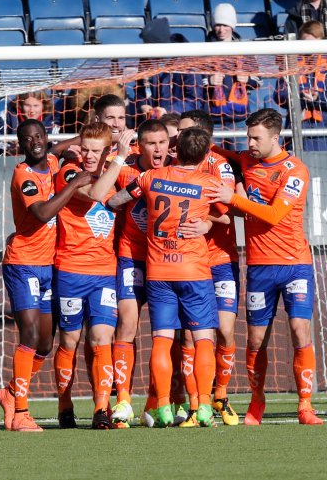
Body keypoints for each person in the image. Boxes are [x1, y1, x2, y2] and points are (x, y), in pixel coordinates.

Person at [210, 107, 323, 426]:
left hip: (295, 265)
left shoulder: (295, 170)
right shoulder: (246, 159)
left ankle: (305, 405)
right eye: (248, 136)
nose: (250, 142)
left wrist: (233, 198)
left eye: (256, 137)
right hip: (259, 267)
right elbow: (220, 151)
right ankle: (257, 401)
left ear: (276, 138)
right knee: (257, 340)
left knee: (300, 330)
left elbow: (274, 215)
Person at [107, 127, 221, 428]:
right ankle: (205, 407)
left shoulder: (149, 178)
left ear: (174, 150)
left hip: (158, 271)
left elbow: (115, 201)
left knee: (161, 339)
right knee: (203, 339)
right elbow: (229, 212)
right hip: (194, 271)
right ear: (205, 154)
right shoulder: (209, 183)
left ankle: (163, 407)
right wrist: (207, 222)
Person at [0, 119, 92, 432]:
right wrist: (75, 183)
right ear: (20, 144)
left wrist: (92, 135)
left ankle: (10, 392)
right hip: (23, 263)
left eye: (39, 136)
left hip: (49, 265)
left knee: (46, 344)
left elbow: (61, 148)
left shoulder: (50, 159)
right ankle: (21, 410)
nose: (35, 142)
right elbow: (42, 213)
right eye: (28, 138)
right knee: (30, 334)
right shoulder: (24, 175)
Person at [87, 119, 172, 428]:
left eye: (162, 142)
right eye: (151, 143)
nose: (158, 148)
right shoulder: (124, 169)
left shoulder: (176, 171)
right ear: (141, 146)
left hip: (166, 261)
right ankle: (123, 400)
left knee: (168, 334)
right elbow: (95, 162)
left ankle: (159, 400)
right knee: (127, 325)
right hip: (130, 258)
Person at [52, 122, 121, 430]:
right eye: (86, 149)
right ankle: (65, 404)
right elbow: (95, 194)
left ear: (107, 150)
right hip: (70, 270)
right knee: (69, 341)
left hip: (104, 273)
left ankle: (101, 409)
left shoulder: (118, 174)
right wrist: (119, 159)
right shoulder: (69, 173)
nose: (90, 156)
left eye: (97, 150)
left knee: (101, 339)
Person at [177, 109, 242, 426]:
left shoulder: (220, 166)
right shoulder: (176, 167)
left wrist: (208, 222)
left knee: (225, 331)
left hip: (221, 260)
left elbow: (229, 212)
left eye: (184, 131)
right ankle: (193, 404)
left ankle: (221, 396)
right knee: (189, 337)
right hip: (188, 262)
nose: (179, 136)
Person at [274, 20, 327, 151]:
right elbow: (279, 95)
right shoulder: (290, 65)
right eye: (304, 43)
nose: (308, 48)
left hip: (323, 132)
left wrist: (318, 98)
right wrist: (299, 97)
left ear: (321, 40)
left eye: (312, 42)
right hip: (294, 131)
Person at [207, 3, 260, 149]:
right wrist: (209, 81)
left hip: (239, 118)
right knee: (214, 160)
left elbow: (258, 80)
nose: (221, 30)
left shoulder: (244, 49)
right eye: (218, 25)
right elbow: (194, 81)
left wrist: (247, 79)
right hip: (213, 117)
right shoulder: (203, 48)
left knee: (241, 160)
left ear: (232, 25)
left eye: (225, 25)